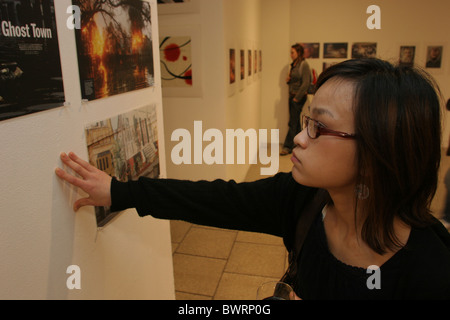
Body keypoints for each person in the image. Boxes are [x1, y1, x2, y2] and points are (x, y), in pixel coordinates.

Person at [55, 58, 450, 299]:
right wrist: (117, 190)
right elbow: (212, 200)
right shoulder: (302, 200)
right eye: (306, 119)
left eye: (318, 127)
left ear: (377, 152)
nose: (298, 136)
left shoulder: (431, 270)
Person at [280, 43, 311, 156]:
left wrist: (297, 98)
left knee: (292, 122)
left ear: (299, 53)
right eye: (290, 52)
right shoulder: (294, 65)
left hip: (298, 98)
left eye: (292, 52)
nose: (291, 55)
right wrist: (288, 80)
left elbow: (306, 83)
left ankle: (287, 146)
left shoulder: (304, 65)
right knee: (295, 122)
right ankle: (299, 144)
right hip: (292, 96)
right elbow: (294, 80)